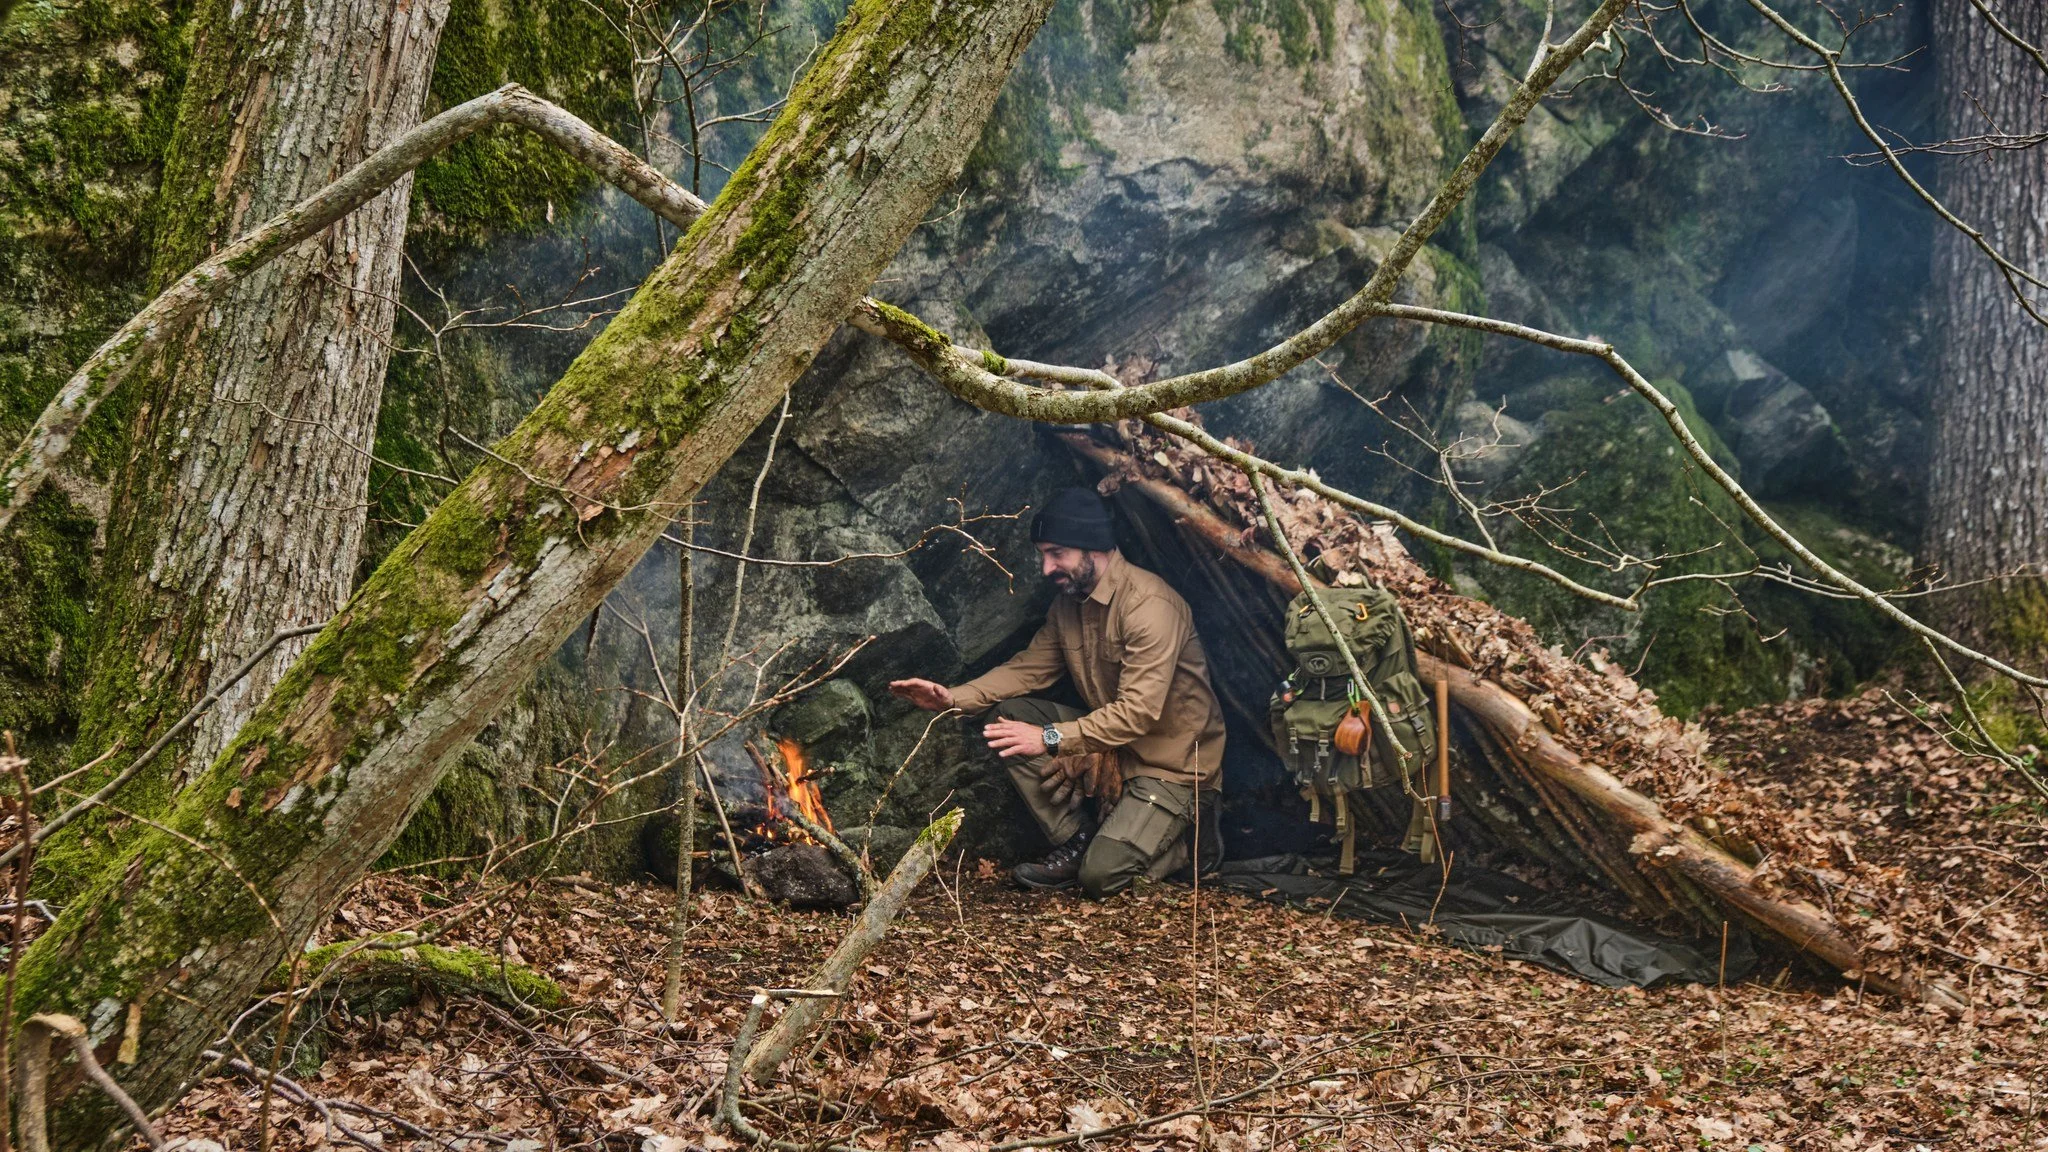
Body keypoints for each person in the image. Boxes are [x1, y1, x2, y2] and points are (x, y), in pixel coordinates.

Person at [889, 487, 1226, 897]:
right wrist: (952, 697)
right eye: (1043, 555)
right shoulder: (1070, 605)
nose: (1046, 567)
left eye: (1056, 553)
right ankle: (1079, 838)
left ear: (1093, 547)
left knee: (1101, 877)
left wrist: (1050, 739)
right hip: (1114, 745)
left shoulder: (1150, 605)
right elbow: (1028, 670)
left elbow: (1138, 712)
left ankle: (1192, 845)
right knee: (1010, 716)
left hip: (1171, 767)